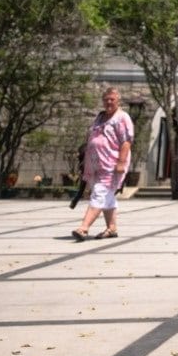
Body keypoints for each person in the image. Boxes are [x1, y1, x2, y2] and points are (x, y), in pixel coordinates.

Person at [72, 87, 134, 241]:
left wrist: (121, 162)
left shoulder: (122, 117)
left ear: (118, 100)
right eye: (106, 99)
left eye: (112, 99)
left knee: (99, 194)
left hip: (111, 165)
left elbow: (126, 141)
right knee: (107, 197)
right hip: (95, 166)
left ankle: (84, 228)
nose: (109, 102)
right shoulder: (100, 117)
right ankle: (112, 228)